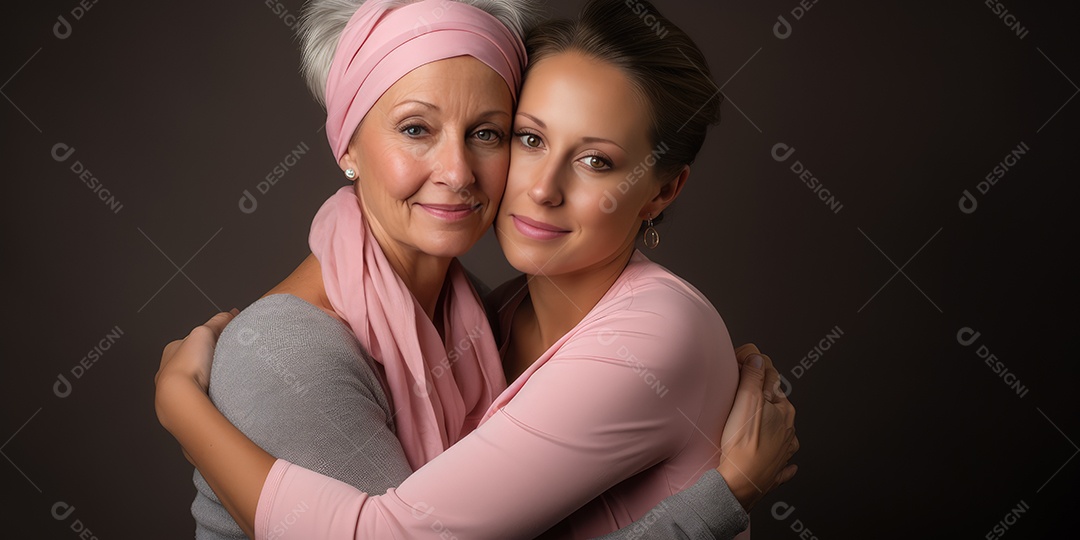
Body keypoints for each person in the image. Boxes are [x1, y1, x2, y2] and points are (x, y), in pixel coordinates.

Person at [158, 0, 798, 538]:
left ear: (662, 190)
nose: (462, 173)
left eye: (489, 133)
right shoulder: (482, 319)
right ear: (346, 142)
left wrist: (183, 408)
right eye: (530, 139)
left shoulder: (549, 328)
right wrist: (723, 497)